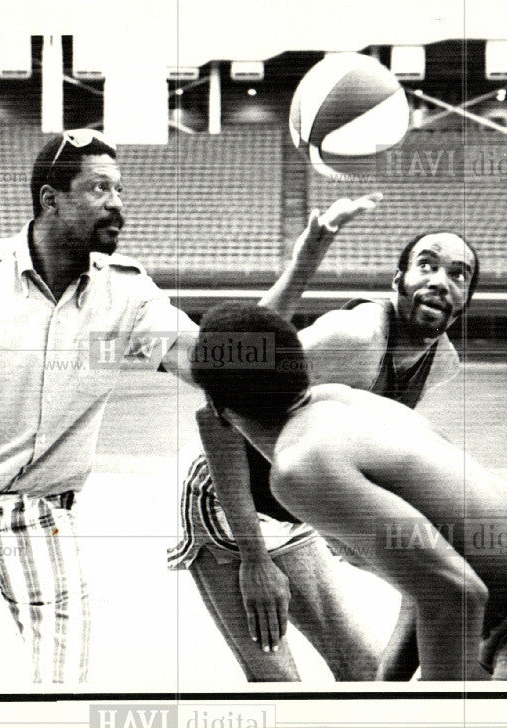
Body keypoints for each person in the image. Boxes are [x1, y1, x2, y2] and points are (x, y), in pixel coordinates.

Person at [0, 128, 377, 684]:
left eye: (120, 190)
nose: (117, 204)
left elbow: (227, 358)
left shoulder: (126, 291)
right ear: (50, 200)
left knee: (67, 699)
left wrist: (305, 261)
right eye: (100, 189)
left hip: (48, 520)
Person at [190, 303, 507, 681]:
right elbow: (429, 575)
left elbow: (454, 593)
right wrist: (387, 685)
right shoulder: (344, 401)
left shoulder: (300, 467)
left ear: (219, 407)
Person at [168, 228, 479, 681]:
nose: (440, 280)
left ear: (466, 299)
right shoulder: (354, 337)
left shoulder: (442, 363)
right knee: (279, 686)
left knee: (363, 668)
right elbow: (216, 411)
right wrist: (255, 560)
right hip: (227, 501)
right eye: (426, 265)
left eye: (458, 274)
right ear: (398, 280)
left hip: (294, 504)